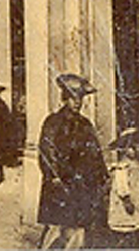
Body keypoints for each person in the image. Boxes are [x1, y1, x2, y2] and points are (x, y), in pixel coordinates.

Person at [38, 73, 108, 250]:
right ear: (65, 99)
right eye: (73, 98)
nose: (77, 102)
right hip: (60, 182)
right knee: (56, 227)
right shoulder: (53, 122)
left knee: (79, 228)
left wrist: (102, 176)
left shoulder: (85, 124)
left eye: (80, 99)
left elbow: (95, 152)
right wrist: (53, 176)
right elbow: (46, 150)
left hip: (82, 182)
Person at [106, 127, 139, 247]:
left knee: (138, 227)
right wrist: (126, 199)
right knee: (127, 227)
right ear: (127, 150)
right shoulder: (123, 167)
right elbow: (121, 184)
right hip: (128, 204)